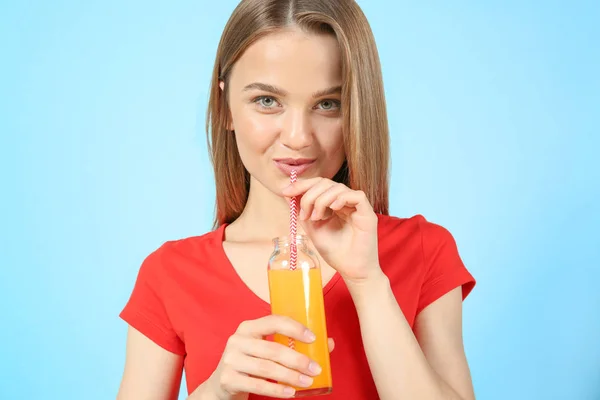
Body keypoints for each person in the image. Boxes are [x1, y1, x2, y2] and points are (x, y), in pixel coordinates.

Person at [116, 0, 477, 399]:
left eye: (328, 104)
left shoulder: (423, 250)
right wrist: (215, 392)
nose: (298, 137)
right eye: (267, 101)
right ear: (225, 108)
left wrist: (369, 284)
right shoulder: (170, 274)